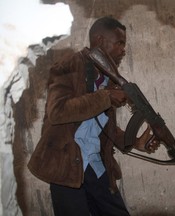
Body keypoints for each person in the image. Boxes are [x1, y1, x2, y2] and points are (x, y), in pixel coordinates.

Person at [28, 16, 159, 216]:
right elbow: (57, 111)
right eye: (119, 43)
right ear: (99, 41)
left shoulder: (110, 76)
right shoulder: (68, 66)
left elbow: (103, 127)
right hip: (66, 168)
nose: (123, 50)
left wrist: (135, 142)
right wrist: (105, 96)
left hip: (97, 166)